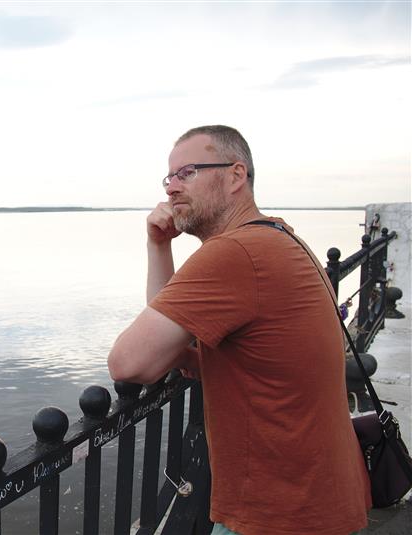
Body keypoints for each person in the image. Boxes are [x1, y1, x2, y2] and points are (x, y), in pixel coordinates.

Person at [107, 125, 371, 535]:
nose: (172, 187)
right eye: (169, 177)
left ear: (235, 175)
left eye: (188, 172)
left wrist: (173, 352)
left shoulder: (236, 252)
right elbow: (174, 345)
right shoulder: (279, 236)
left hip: (279, 513)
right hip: (322, 497)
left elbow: (129, 363)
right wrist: (159, 245)